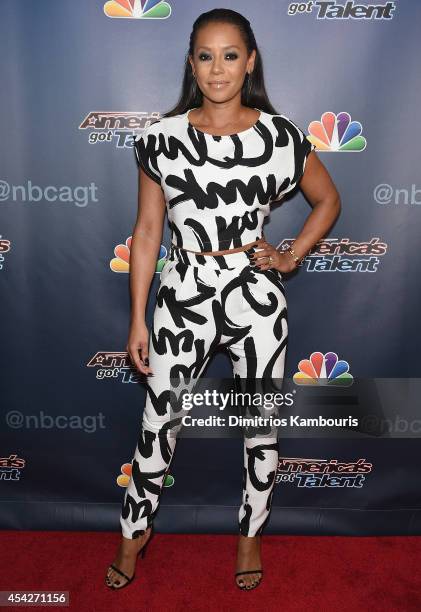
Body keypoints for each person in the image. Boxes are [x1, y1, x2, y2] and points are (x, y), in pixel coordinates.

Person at [105, 8, 341, 592]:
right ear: (191, 64)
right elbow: (149, 231)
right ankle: (133, 537)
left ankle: (250, 535)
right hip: (181, 291)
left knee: (260, 425)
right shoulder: (160, 138)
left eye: (230, 55)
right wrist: (137, 317)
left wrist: (289, 256)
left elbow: (329, 201)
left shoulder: (281, 137)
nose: (218, 69)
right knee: (158, 421)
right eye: (206, 56)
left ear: (250, 60)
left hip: (257, 299)